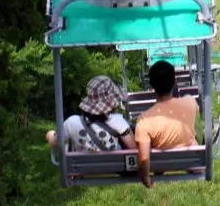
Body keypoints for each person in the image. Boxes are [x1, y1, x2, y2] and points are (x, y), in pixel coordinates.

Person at [135, 59, 200, 187]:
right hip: (191, 159)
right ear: (175, 82)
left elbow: (143, 158)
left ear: (152, 85)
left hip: (161, 164)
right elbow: (197, 114)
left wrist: (145, 177)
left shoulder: (144, 120)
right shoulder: (190, 102)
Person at [45, 75, 135, 153]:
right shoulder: (119, 121)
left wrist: (51, 134)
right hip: (115, 170)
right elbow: (133, 149)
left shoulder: (71, 122)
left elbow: (53, 142)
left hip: (81, 170)